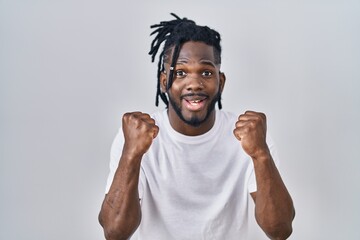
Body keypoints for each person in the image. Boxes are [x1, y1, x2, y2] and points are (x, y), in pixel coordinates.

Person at [99, 13, 295, 240]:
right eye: (181, 72)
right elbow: (114, 232)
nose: (194, 83)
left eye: (206, 72)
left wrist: (261, 155)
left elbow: (280, 230)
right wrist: (131, 154)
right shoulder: (135, 137)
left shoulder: (250, 137)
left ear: (220, 82)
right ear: (164, 82)